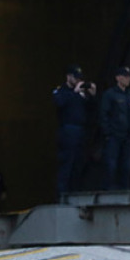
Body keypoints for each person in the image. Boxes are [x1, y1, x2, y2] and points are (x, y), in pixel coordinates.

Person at [53, 64, 95, 196]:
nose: (77, 81)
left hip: (80, 131)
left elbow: (92, 111)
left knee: (78, 164)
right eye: (75, 78)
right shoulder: (62, 91)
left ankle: (74, 192)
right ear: (68, 77)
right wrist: (74, 93)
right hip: (68, 131)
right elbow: (59, 102)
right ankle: (62, 194)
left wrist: (91, 95)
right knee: (67, 163)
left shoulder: (81, 94)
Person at [99, 66, 130, 190]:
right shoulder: (110, 95)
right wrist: (107, 132)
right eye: (125, 76)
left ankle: (124, 189)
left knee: (126, 166)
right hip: (114, 136)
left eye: (129, 76)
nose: (128, 79)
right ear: (118, 78)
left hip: (127, 136)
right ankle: (109, 189)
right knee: (111, 164)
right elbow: (103, 114)